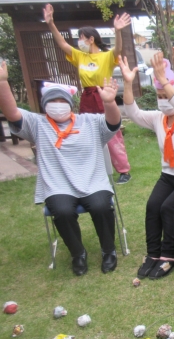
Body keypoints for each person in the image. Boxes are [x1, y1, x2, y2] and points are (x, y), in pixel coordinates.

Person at [0, 61, 123, 276]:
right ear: (45, 105)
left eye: (62, 101)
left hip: (93, 181)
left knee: (101, 206)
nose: (57, 105)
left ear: (70, 104)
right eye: (52, 101)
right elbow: (12, 113)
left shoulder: (89, 122)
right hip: (58, 185)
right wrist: (2, 82)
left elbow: (112, 123)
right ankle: (78, 253)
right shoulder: (37, 124)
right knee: (63, 212)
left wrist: (109, 102)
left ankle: (108, 250)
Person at [119, 52, 174, 279]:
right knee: (153, 206)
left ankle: (169, 256)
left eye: (166, 95)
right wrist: (128, 84)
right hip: (169, 175)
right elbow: (132, 112)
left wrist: (163, 79)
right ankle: (153, 254)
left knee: (168, 207)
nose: (162, 100)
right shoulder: (157, 118)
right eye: (159, 96)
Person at [43, 3, 132, 184]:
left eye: (81, 38)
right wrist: (51, 23)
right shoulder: (80, 56)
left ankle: (124, 170)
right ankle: (93, 169)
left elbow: (118, 49)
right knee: (87, 132)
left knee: (112, 132)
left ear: (91, 39)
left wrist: (118, 31)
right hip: (87, 97)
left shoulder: (106, 56)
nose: (79, 41)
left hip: (104, 96)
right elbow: (62, 43)